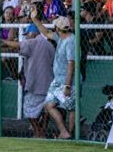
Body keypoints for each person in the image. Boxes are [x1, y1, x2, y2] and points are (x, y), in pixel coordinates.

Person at [3, 23, 55, 138]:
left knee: (29, 109)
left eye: (28, 34)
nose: (26, 37)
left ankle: (38, 132)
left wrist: (3, 41)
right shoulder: (49, 44)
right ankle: (42, 131)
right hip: (50, 82)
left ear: (34, 33)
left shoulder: (33, 42)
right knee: (46, 109)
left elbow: (18, 45)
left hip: (36, 83)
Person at [31, 8, 76, 139]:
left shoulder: (70, 41)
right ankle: (64, 131)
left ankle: (70, 134)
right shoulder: (60, 37)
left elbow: (71, 64)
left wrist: (67, 85)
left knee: (71, 108)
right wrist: (34, 19)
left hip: (67, 81)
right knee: (49, 105)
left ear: (57, 28)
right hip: (58, 80)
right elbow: (45, 32)